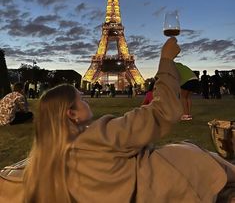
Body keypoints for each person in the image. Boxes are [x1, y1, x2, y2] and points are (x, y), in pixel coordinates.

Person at [1, 37, 235, 203]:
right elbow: (164, 111)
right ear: (71, 113)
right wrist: (165, 60)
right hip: (184, 172)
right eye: (82, 99)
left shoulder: (43, 164)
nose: (87, 101)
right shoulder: (101, 135)